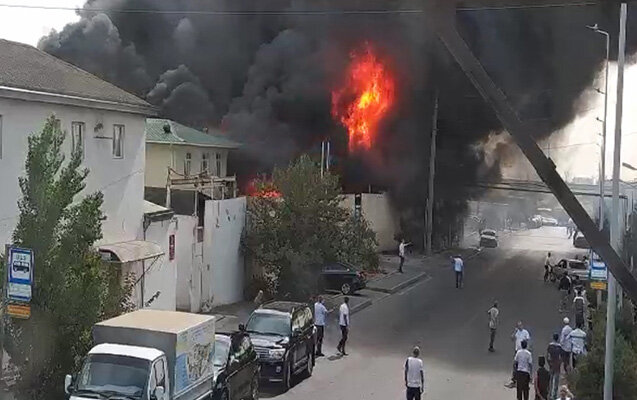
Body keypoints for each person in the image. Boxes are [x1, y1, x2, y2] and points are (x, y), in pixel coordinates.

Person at [507, 321, 531, 387]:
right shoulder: (517, 332)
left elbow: (528, 340)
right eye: (518, 326)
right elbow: (512, 338)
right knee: (515, 365)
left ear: (522, 326)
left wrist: (528, 348)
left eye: (520, 325)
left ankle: (527, 378)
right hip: (517, 350)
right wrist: (514, 331)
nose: (519, 327)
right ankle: (514, 380)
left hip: (524, 350)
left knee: (525, 365)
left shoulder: (525, 332)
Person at [546, 333, 562, 400]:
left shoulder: (550, 346)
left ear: (553, 338)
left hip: (551, 365)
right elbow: (561, 357)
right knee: (556, 382)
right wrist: (559, 363)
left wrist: (549, 363)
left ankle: (549, 395)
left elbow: (547, 356)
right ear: (557, 338)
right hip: (557, 365)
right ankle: (554, 396)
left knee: (550, 380)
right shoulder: (559, 347)